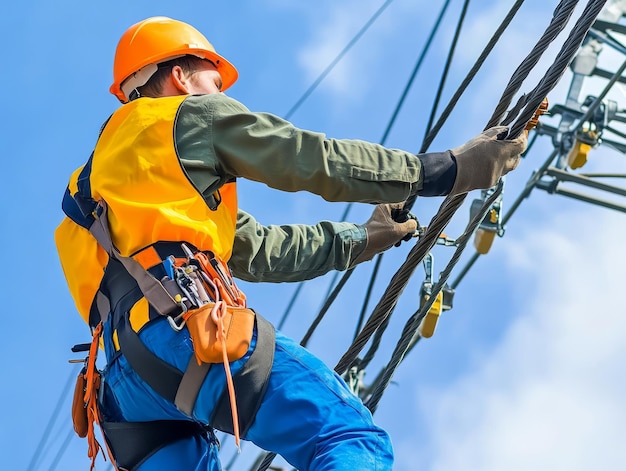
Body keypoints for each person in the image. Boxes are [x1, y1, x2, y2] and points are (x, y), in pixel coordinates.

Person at [55, 16, 527, 471]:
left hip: (120, 394)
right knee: (345, 436)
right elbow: (308, 157)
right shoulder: (185, 117)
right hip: (182, 332)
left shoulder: (105, 183)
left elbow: (256, 248)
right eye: (214, 82)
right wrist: (439, 171)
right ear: (180, 75)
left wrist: (363, 237)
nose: (221, 94)